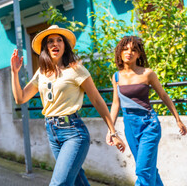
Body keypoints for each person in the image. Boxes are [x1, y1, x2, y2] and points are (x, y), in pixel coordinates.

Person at [11, 25, 125, 186]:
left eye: (59, 40)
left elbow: (97, 100)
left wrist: (113, 131)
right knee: (78, 181)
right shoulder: (41, 72)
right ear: (45, 47)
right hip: (52, 132)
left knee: (59, 183)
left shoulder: (76, 69)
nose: (55, 44)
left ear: (65, 45)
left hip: (73, 133)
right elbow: (20, 98)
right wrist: (14, 73)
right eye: (50, 41)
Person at [106, 36, 187, 186]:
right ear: (120, 52)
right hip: (130, 125)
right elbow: (116, 104)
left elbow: (163, 95)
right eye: (125, 49)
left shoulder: (147, 73)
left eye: (133, 50)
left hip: (149, 124)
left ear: (139, 54)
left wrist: (178, 119)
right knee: (149, 170)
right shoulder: (116, 76)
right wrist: (111, 131)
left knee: (143, 171)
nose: (129, 52)